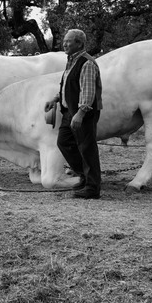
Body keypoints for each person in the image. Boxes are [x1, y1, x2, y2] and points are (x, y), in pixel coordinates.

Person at [44, 29, 102, 199]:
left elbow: (88, 91)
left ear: (79, 44)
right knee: (64, 142)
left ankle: (92, 188)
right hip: (69, 111)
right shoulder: (71, 61)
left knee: (87, 148)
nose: (65, 44)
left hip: (82, 113)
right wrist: (55, 99)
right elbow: (68, 86)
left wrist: (80, 113)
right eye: (64, 40)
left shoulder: (87, 63)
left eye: (69, 41)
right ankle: (85, 176)